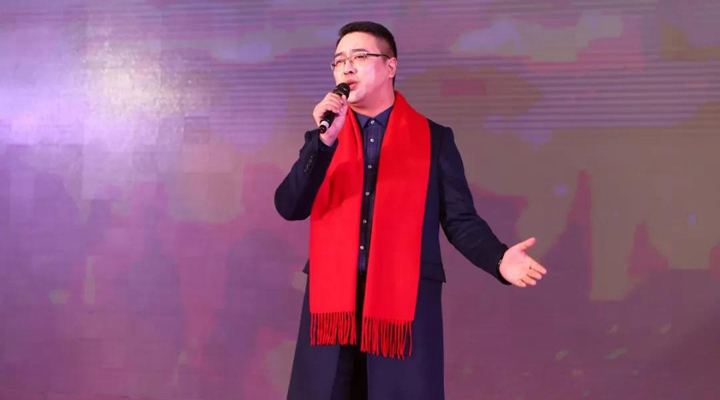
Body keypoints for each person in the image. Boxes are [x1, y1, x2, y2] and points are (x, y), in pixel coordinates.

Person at [274, 21, 548, 400]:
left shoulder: (434, 139)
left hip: (403, 306)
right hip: (333, 307)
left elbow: (460, 220)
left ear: (391, 66)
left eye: (360, 56)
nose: (347, 67)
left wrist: (499, 260)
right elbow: (290, 206)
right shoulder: (324, 138)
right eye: (339, 61)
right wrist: (322, 144)